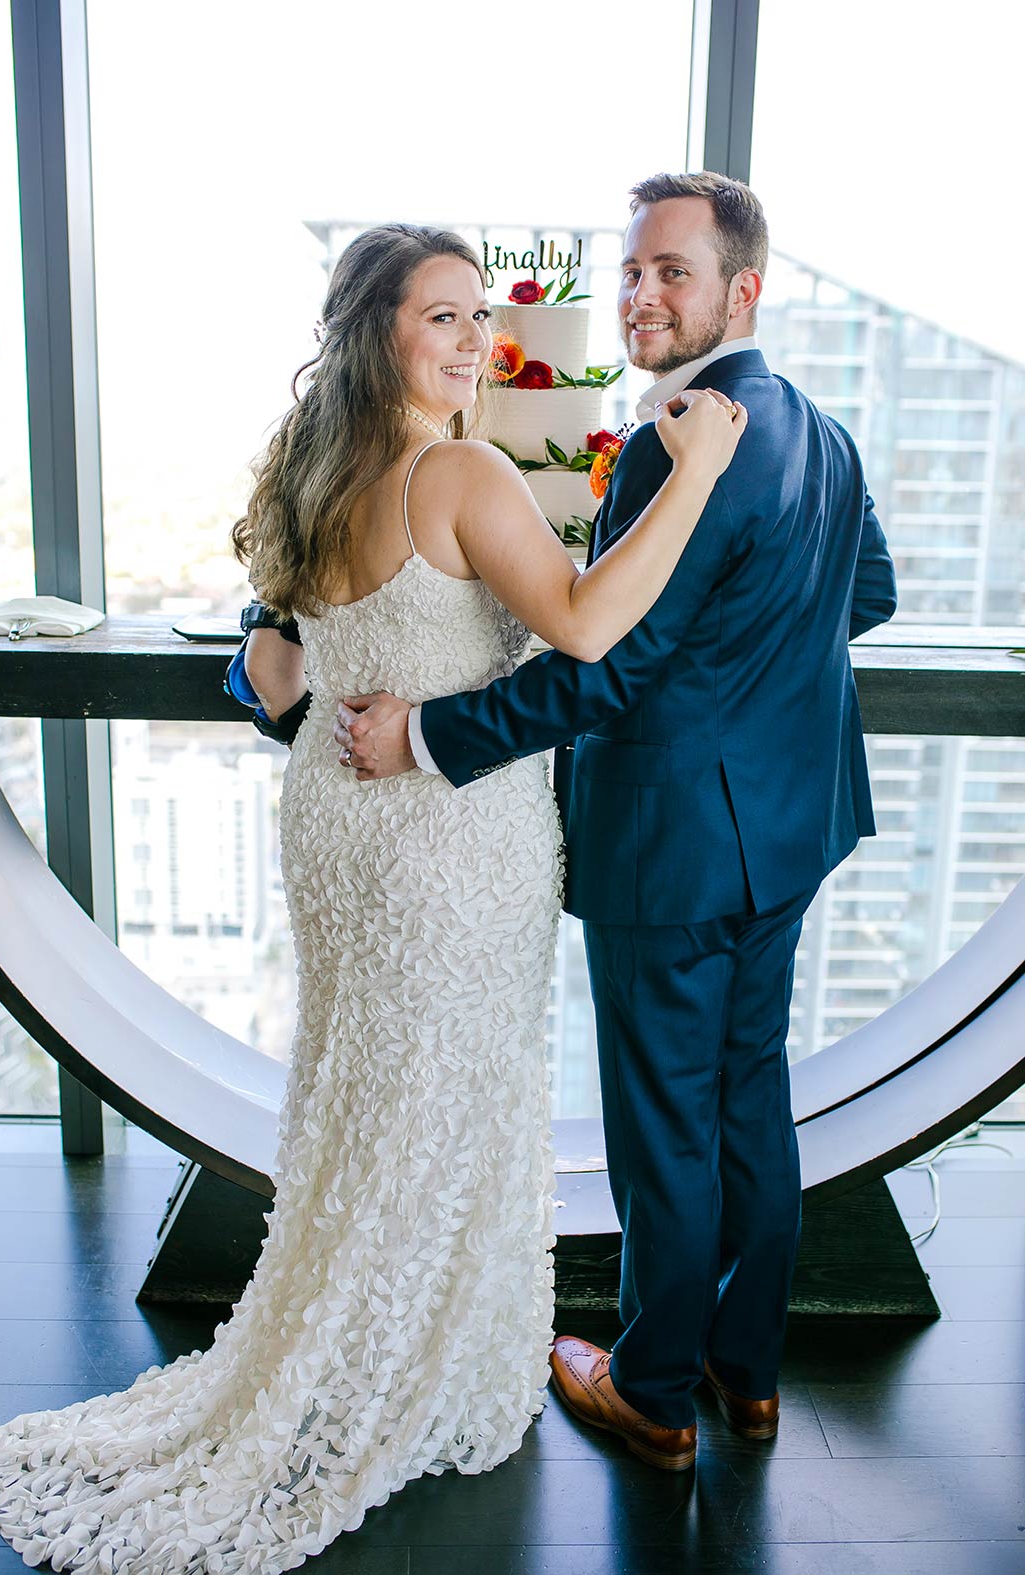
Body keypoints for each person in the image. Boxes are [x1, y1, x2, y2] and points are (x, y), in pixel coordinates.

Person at [0, 223, 744, 1570]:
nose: (468, 342)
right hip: (449, 834)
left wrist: (326, 687)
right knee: (441, 1088)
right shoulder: (459, 468)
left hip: (339, 818)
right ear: (374, 331)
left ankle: (351, 1343)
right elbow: (580, 625)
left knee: (363, 1086)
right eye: (437, 317)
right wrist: (690, 479)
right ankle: (414, 1364)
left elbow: (277, 660)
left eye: (471, 316)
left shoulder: (307, 465)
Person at [334, 175, 899, 1472]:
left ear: (739, 291)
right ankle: (744, 1373)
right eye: (632, 270)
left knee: (661, 1130)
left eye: (671, 274)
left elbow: (605, 670)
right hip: (791, 822)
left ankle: (650, 1393)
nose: (640, 295)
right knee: (748, 1102)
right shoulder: (819, 428)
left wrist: (422, 734)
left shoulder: (674, 440)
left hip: (674, 845)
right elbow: (859, 593)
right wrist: (745, 688)